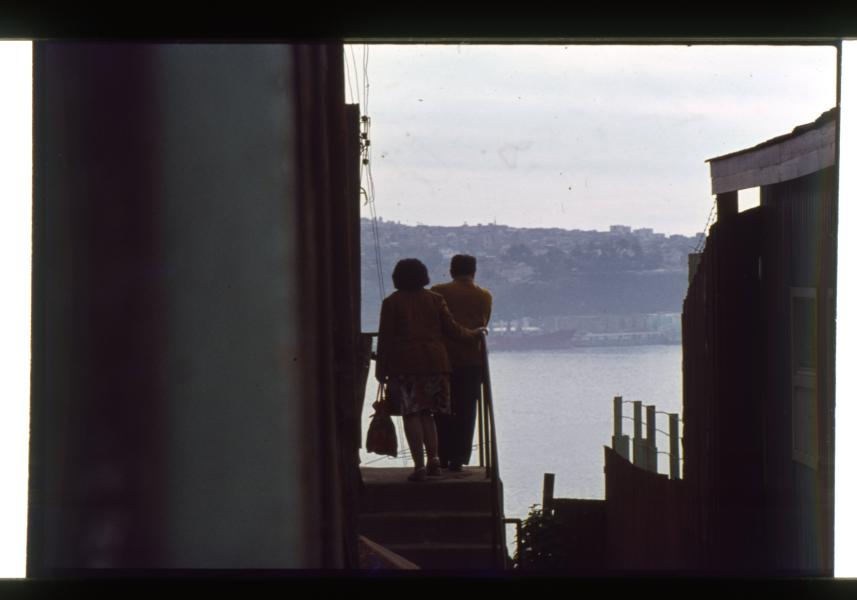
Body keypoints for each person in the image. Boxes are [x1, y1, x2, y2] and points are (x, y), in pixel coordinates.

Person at [376, 258, 484, 482]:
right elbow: (453, 330)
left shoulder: (391, 303)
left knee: (411, 413)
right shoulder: (435, 299)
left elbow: (385, 339)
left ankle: (419, 466)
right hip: (436, 363)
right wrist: (474, 333)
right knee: (428, 413)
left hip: (406, 364)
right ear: (423, 276)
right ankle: (434, 460)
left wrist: (381, 369)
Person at [430, 254, 493, 472]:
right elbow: (484, 323)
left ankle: (441, 455)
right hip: (472, 361)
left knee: (441, 409)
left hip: (443, 360)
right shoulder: (485, 296)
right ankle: (459, 457)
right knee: (467, 411)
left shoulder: (438, 291)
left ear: (451, 270)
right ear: (474, 271)